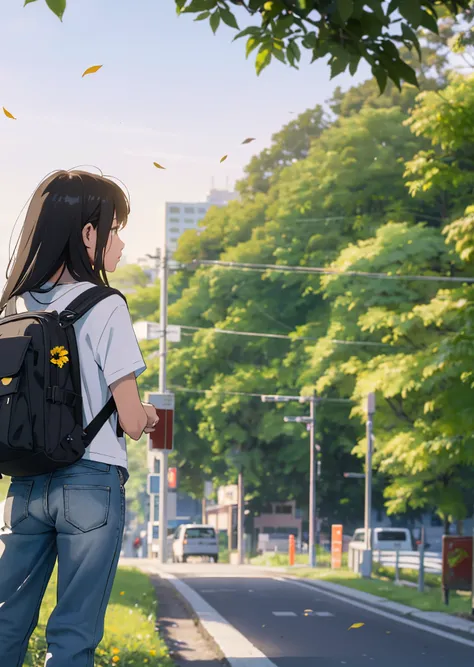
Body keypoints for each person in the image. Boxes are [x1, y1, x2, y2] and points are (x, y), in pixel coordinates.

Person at [0, 169, 158, 667]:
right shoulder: (105, 305)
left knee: (6, 619)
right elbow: (131, 420)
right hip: (90, 483)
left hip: (23, 484)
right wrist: (150, 415)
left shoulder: (13, 307)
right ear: (87, 234)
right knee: (73, 632)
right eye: (114, 229)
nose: (121, 241)